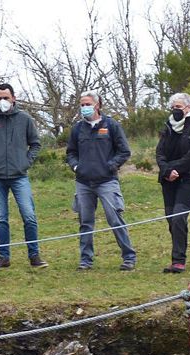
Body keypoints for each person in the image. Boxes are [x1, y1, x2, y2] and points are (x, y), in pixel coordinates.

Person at [66, 90, 136, 271]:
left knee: (115, 219)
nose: (84, 108)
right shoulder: (77, 129)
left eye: (87, 104)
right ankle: (85, 260)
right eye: (81, 105)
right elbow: (71, 153)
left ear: (97, 105)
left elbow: (124, 151)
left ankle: (129, 257)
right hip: (83, 183)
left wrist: (110, 166)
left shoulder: (111, 125)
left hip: (107, 181)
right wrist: (76, 166)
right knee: (85, 222)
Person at [0, 83, 47, 270]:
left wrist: (25, 162)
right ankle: (4, 257)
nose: (3, 101)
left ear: (13, 98)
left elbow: (35, 144)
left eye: (6, 97)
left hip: (19, 176)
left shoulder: (25, 119)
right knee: (1, 218)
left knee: (29, 215)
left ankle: (34, 255)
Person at [155, 92, 190, 273]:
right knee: (171, 218)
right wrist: (167, 170)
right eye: (173, 108)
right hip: (168, 180)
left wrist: (177, 169)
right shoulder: (168, 128)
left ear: (188, 108)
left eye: (179, 107)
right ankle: (177, 255)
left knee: (179, 217)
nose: (176, 111)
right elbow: (160, 153)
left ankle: (179, 260)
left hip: (189, 179)